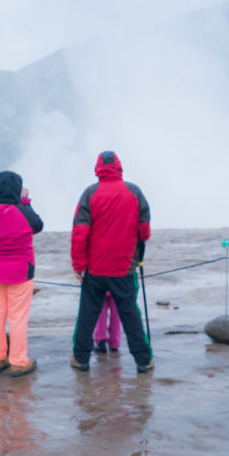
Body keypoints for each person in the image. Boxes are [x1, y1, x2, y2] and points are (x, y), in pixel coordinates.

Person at [70, 150, 154, 374]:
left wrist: (79, 265)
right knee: (130, 314)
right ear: (119, 166)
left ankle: (81, 359)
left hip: (95, 269)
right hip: (124, 267)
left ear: (98, 168)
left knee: (87, 314)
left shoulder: (89, 194)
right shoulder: (134, 192)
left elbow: (79, 233)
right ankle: (143, 360)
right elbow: (144, 231)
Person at [0, 172, 43, 377]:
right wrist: (25, 201)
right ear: (18, 190)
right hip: (20, 272)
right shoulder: (24, 212)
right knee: (18, 317)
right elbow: (38, 226)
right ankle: (18, 362)